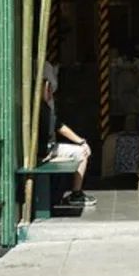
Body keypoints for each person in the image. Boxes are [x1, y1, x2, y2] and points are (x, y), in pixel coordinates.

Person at [38, 62, 97, 206]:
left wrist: (80, 140)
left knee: (79, 150)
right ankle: (76, 194)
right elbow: (60, 127)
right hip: (45, 152)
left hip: (48, 149)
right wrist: (82, 142)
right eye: (49, 89)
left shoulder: (43, 107)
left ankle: (74, 193)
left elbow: (58, 125)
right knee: (82, 153)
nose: (51, 93)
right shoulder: (40, 109)